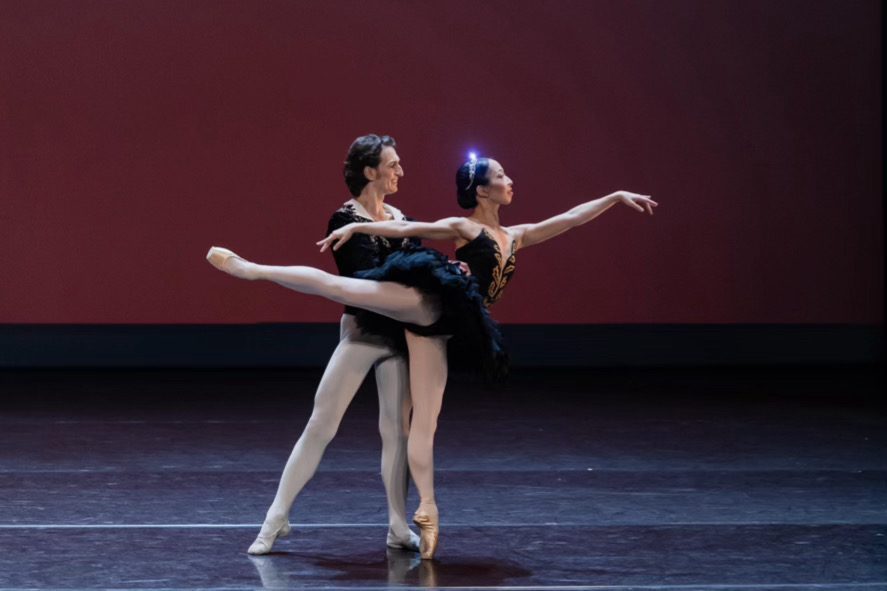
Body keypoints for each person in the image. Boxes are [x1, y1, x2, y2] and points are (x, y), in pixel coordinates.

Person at [207, 154, 657, 559]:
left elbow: (570, 219)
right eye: (501, 176)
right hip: (397, 317)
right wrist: (358, 228)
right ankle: (254, 271)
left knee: (412, 428)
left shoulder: (515, 235)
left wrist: (615, 196)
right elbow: (404, 235)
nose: (510, 181)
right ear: (481, 190)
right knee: (339, 311)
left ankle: (410, 518)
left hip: (437, 329)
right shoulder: (450, 225)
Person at [242, 134, 421, 556]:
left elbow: (416, 269)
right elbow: (364, 279)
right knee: (322, 423)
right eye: (392, 165)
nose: (400, 171)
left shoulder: (401, 217)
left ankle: (398, 525)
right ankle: (276, 517)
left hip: (400, 335)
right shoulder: (344, 220)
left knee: (397, 431)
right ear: (370, 171)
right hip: (364, 332)